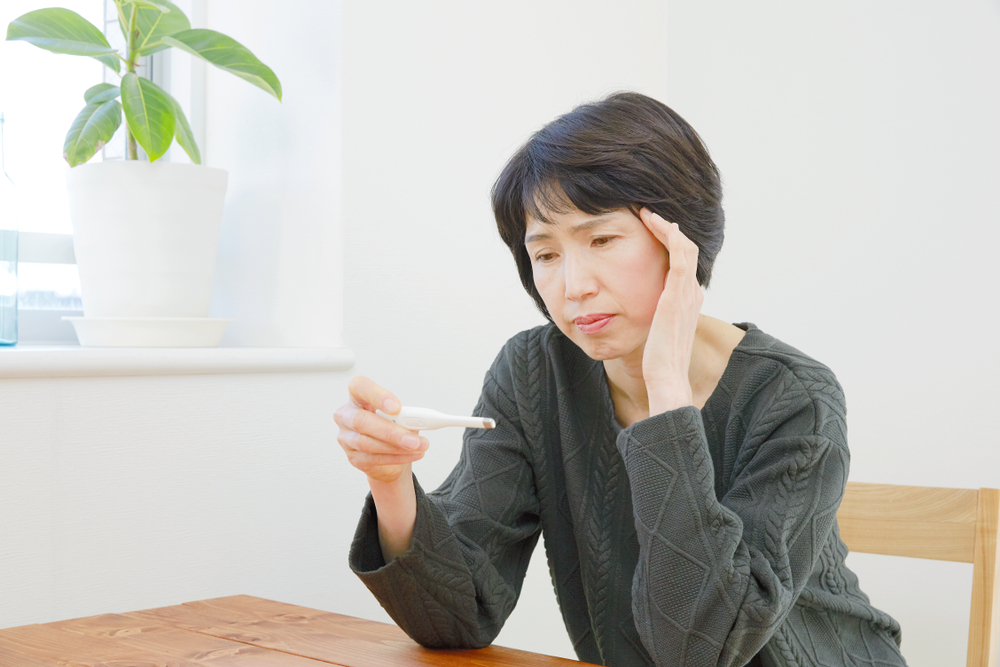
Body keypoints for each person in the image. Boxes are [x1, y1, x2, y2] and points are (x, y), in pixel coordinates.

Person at [334, 92, 908, 667]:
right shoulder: (534, 373)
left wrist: (667, 396)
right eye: (546, 254)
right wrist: (391, 481)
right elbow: (457, 619)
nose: (572, 285)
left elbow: (696, 651)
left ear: (680, 242)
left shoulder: (793, 397)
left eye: (602, 240)